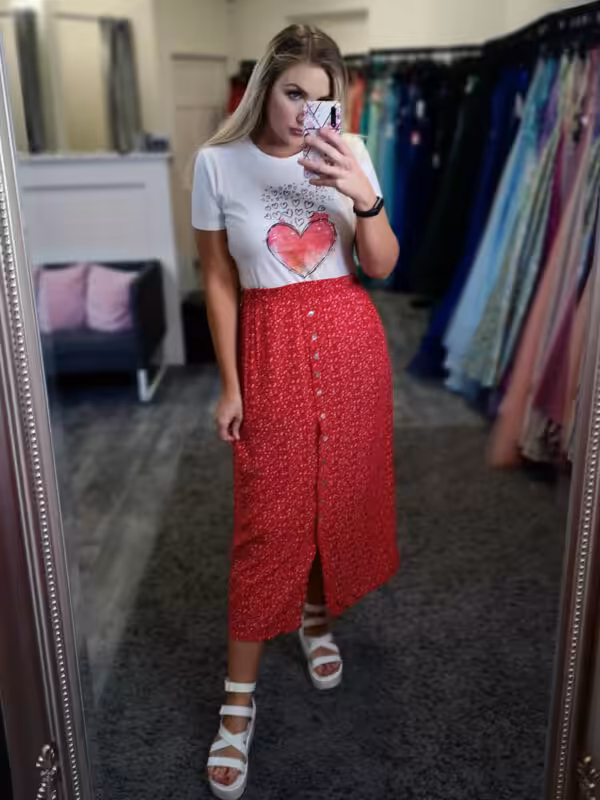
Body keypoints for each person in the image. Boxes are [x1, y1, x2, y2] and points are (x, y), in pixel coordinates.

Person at [192, 24, 400, 799]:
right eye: (292, 93)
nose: (305, 112)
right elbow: (218, 280)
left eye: (322, 98)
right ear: (262, 88)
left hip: (350, 346)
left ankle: (316, 617)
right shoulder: (217, 164)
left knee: (336, 497)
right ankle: (237, 704)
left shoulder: (352, 153)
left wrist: (362, 193)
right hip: (270, 349)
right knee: (268, 519)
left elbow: (381, 265)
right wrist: (230, 383)